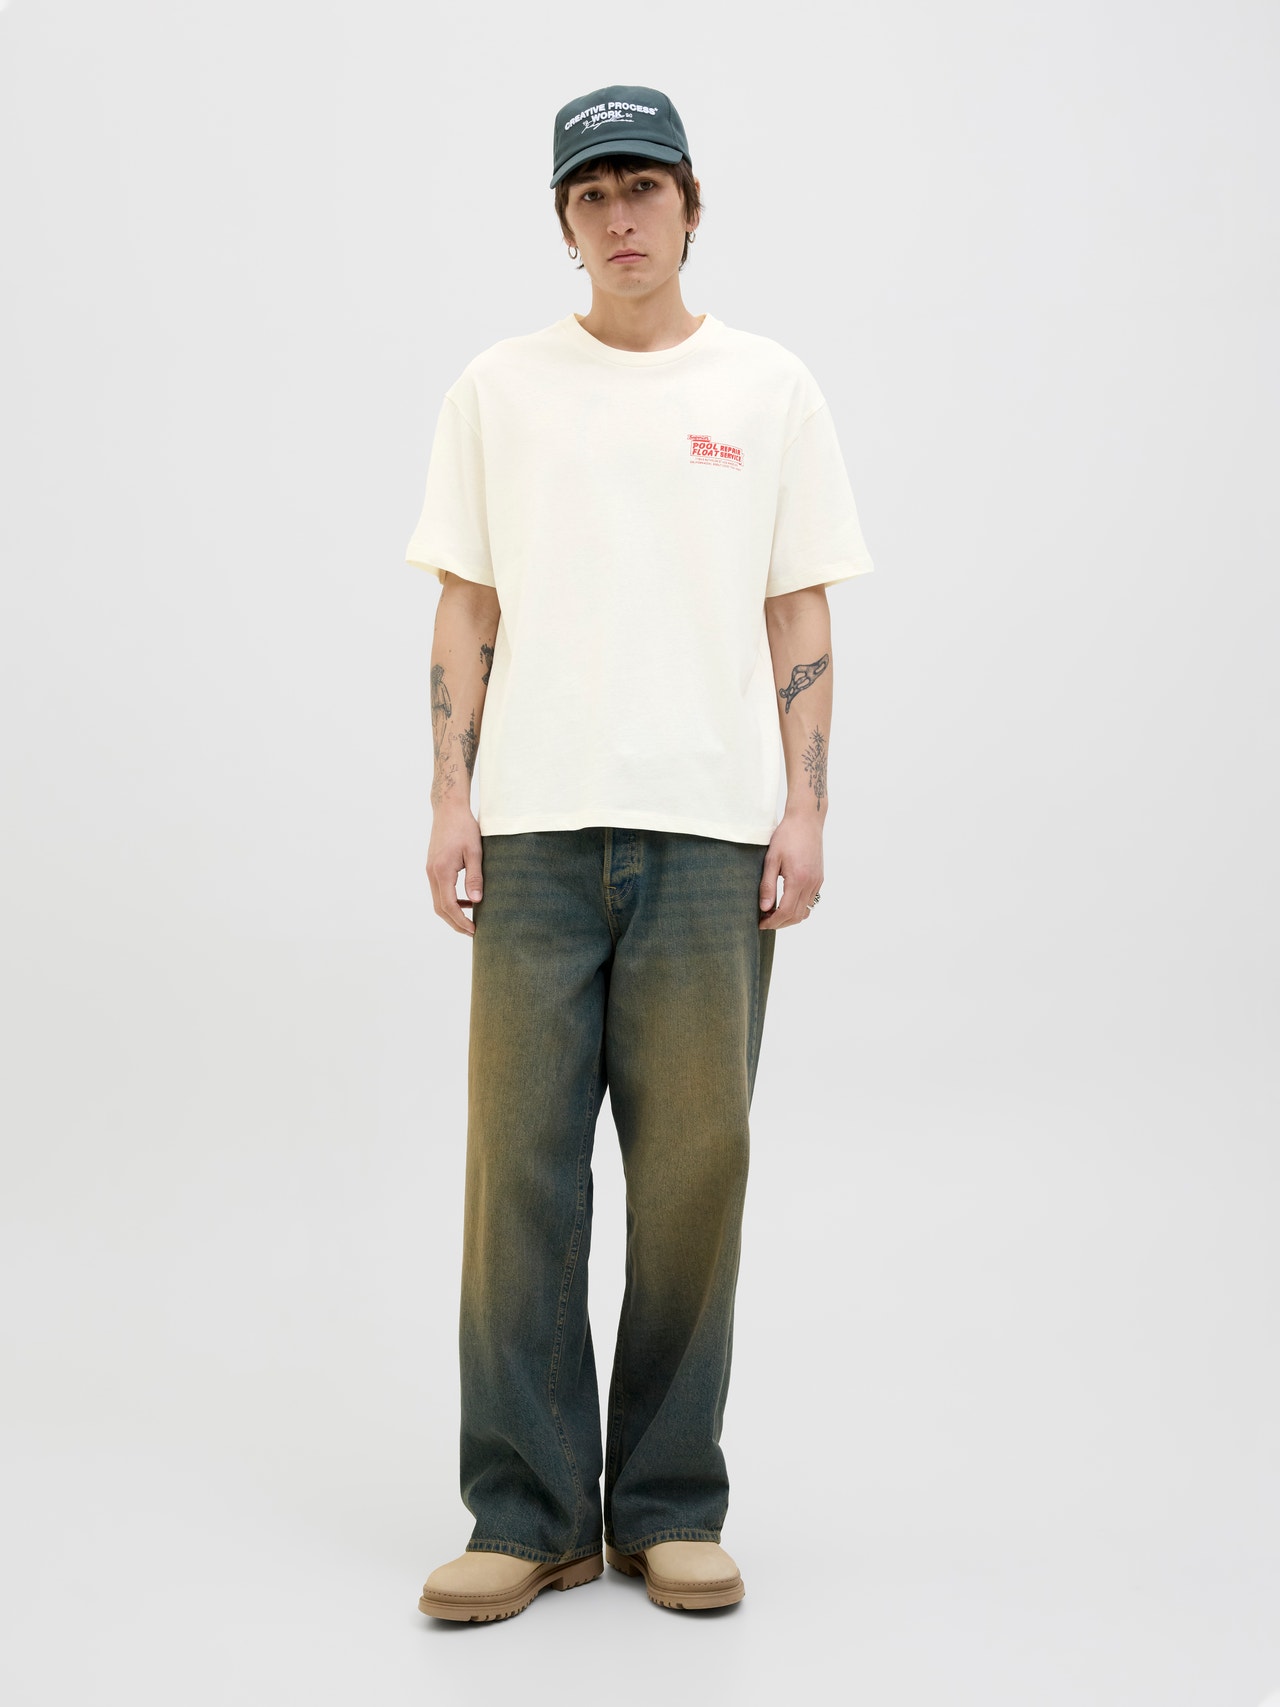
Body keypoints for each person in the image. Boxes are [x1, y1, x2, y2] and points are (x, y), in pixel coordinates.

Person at [405, 83, 875, 1622]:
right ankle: (527, 1512)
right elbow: (466, 604)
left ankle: (670, 1502)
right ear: (564, 221)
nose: (621, 219)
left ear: (690, 203)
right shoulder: (499, 389)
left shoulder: (768, 387)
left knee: (691, 1180)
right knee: (518, 1184)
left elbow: (798, 607)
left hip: (710, 835)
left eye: (644, 189)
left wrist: (807, 808)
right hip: (534, 835)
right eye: (592, 195)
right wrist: (449, 796)